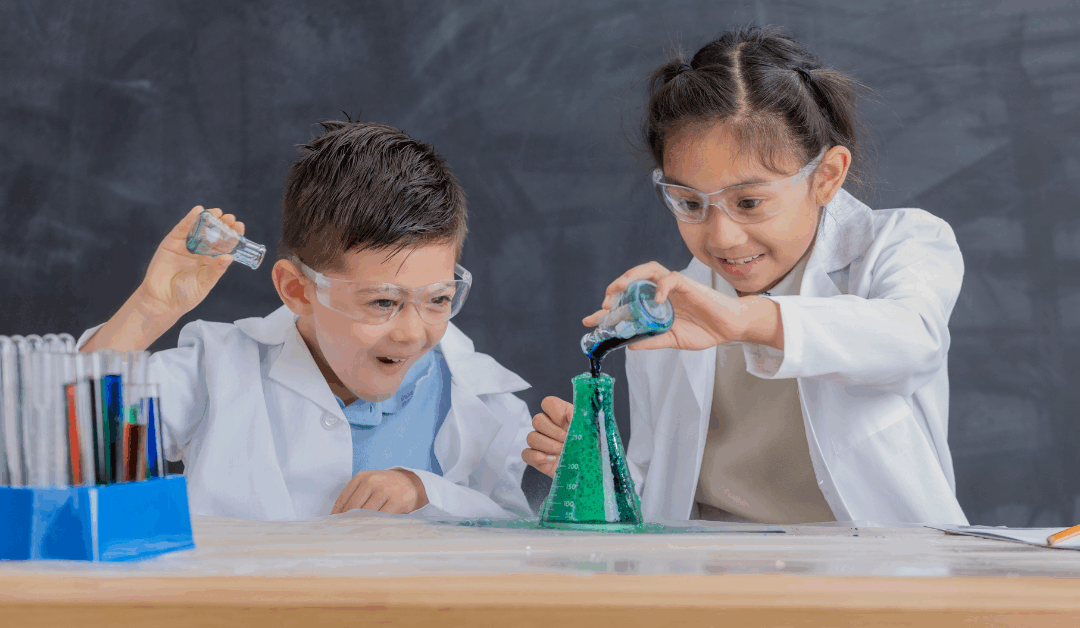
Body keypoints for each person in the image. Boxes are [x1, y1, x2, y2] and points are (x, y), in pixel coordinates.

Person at [523, 26, 969, 525]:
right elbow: (664, 493)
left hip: (875, 578)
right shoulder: (668, 310)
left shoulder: (903, 243)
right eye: (689, 203)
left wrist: (744, 321)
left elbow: (914, 340)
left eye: (750, 202)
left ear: (826, 176)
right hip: (713, 577)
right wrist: (599, 468)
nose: (722, 238)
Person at [80, 120, 533, 521]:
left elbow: (516, 533)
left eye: (438, 298)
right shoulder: (218, 371)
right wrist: (149, 309)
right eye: (381, 302)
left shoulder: (483, 402)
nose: (412, 332)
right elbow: (75, 442)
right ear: (297, 290)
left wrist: (425, 491)